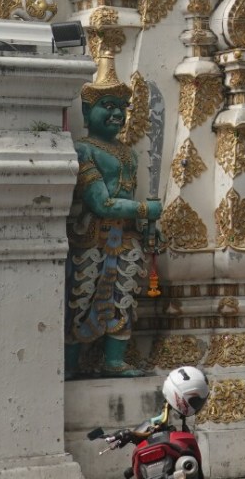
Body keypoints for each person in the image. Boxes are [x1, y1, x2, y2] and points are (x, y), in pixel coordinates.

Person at [65, 50, 163, 378]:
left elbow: (127, 198)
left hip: (124, 239)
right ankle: (70, 364)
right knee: (81, 300)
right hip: (91, 238)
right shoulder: (84, 149)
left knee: (123, 297)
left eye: (121, 108)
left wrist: (147, 225)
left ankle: (114, 360)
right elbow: (100, 203)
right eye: (108, 106)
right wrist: (143, 209)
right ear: (88, 110)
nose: (117, 114)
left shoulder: (127, 154)